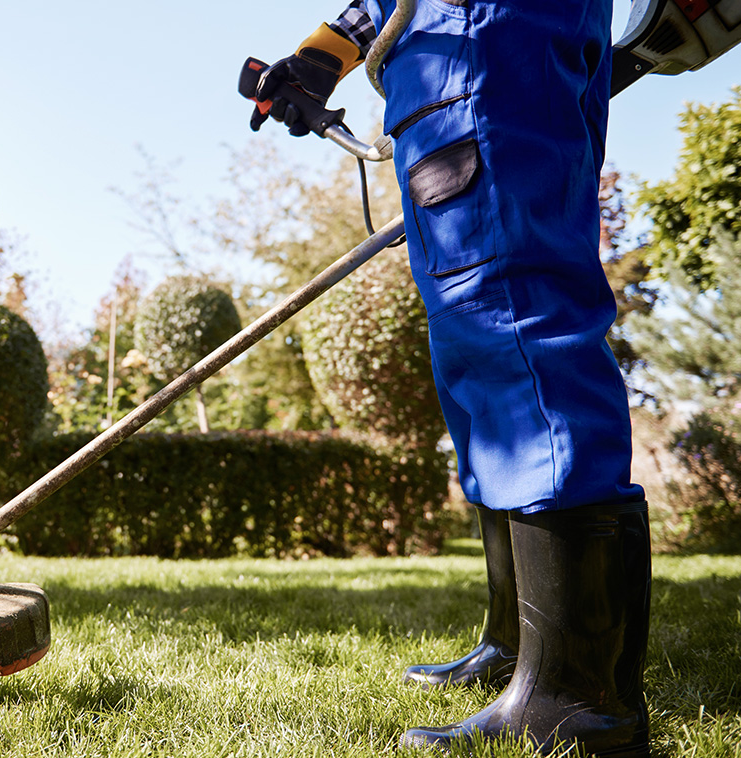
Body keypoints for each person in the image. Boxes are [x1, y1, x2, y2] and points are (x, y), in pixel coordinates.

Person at [250, 1, 652, 756]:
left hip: (484, 36)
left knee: (511, 316)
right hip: (451, 49)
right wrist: (321, 55)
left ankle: (576, 695)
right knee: (475, 352)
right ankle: (519, 646)